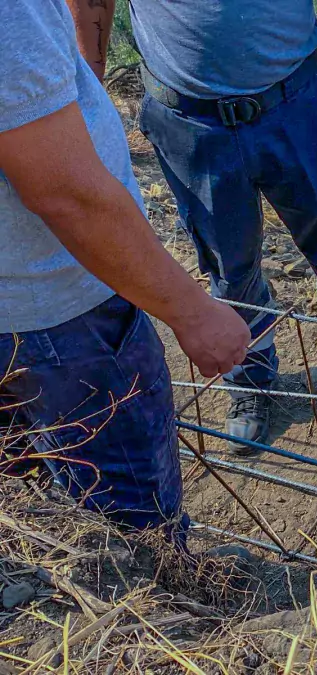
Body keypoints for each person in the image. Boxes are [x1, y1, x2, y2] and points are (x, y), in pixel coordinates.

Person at [68, 0, 317, 455]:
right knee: (230, 269)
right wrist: (90, 110)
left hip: (300, 108)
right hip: (188, 125)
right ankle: (250, 383)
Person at [0, 1, 250, 534]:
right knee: (135, 518)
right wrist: (194, 313)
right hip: (59, 316)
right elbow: (67, 194)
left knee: (24, 495)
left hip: (22, 309)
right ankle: (159, 602)